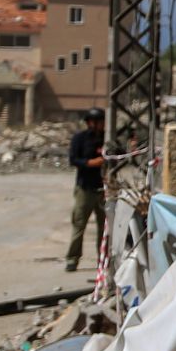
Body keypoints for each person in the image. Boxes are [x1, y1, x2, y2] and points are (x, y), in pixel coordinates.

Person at [66, 108, 106, 272]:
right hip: (85, 189)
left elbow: (120, 155)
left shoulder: (107, 139)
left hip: (103, 189)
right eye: (99, 122)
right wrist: (91, 163)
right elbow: (73, 159)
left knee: (104, 228)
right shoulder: (80, 139)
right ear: (91, 123)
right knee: (79, 225)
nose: (102, 125)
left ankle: (102, 260)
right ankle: (72, 259)